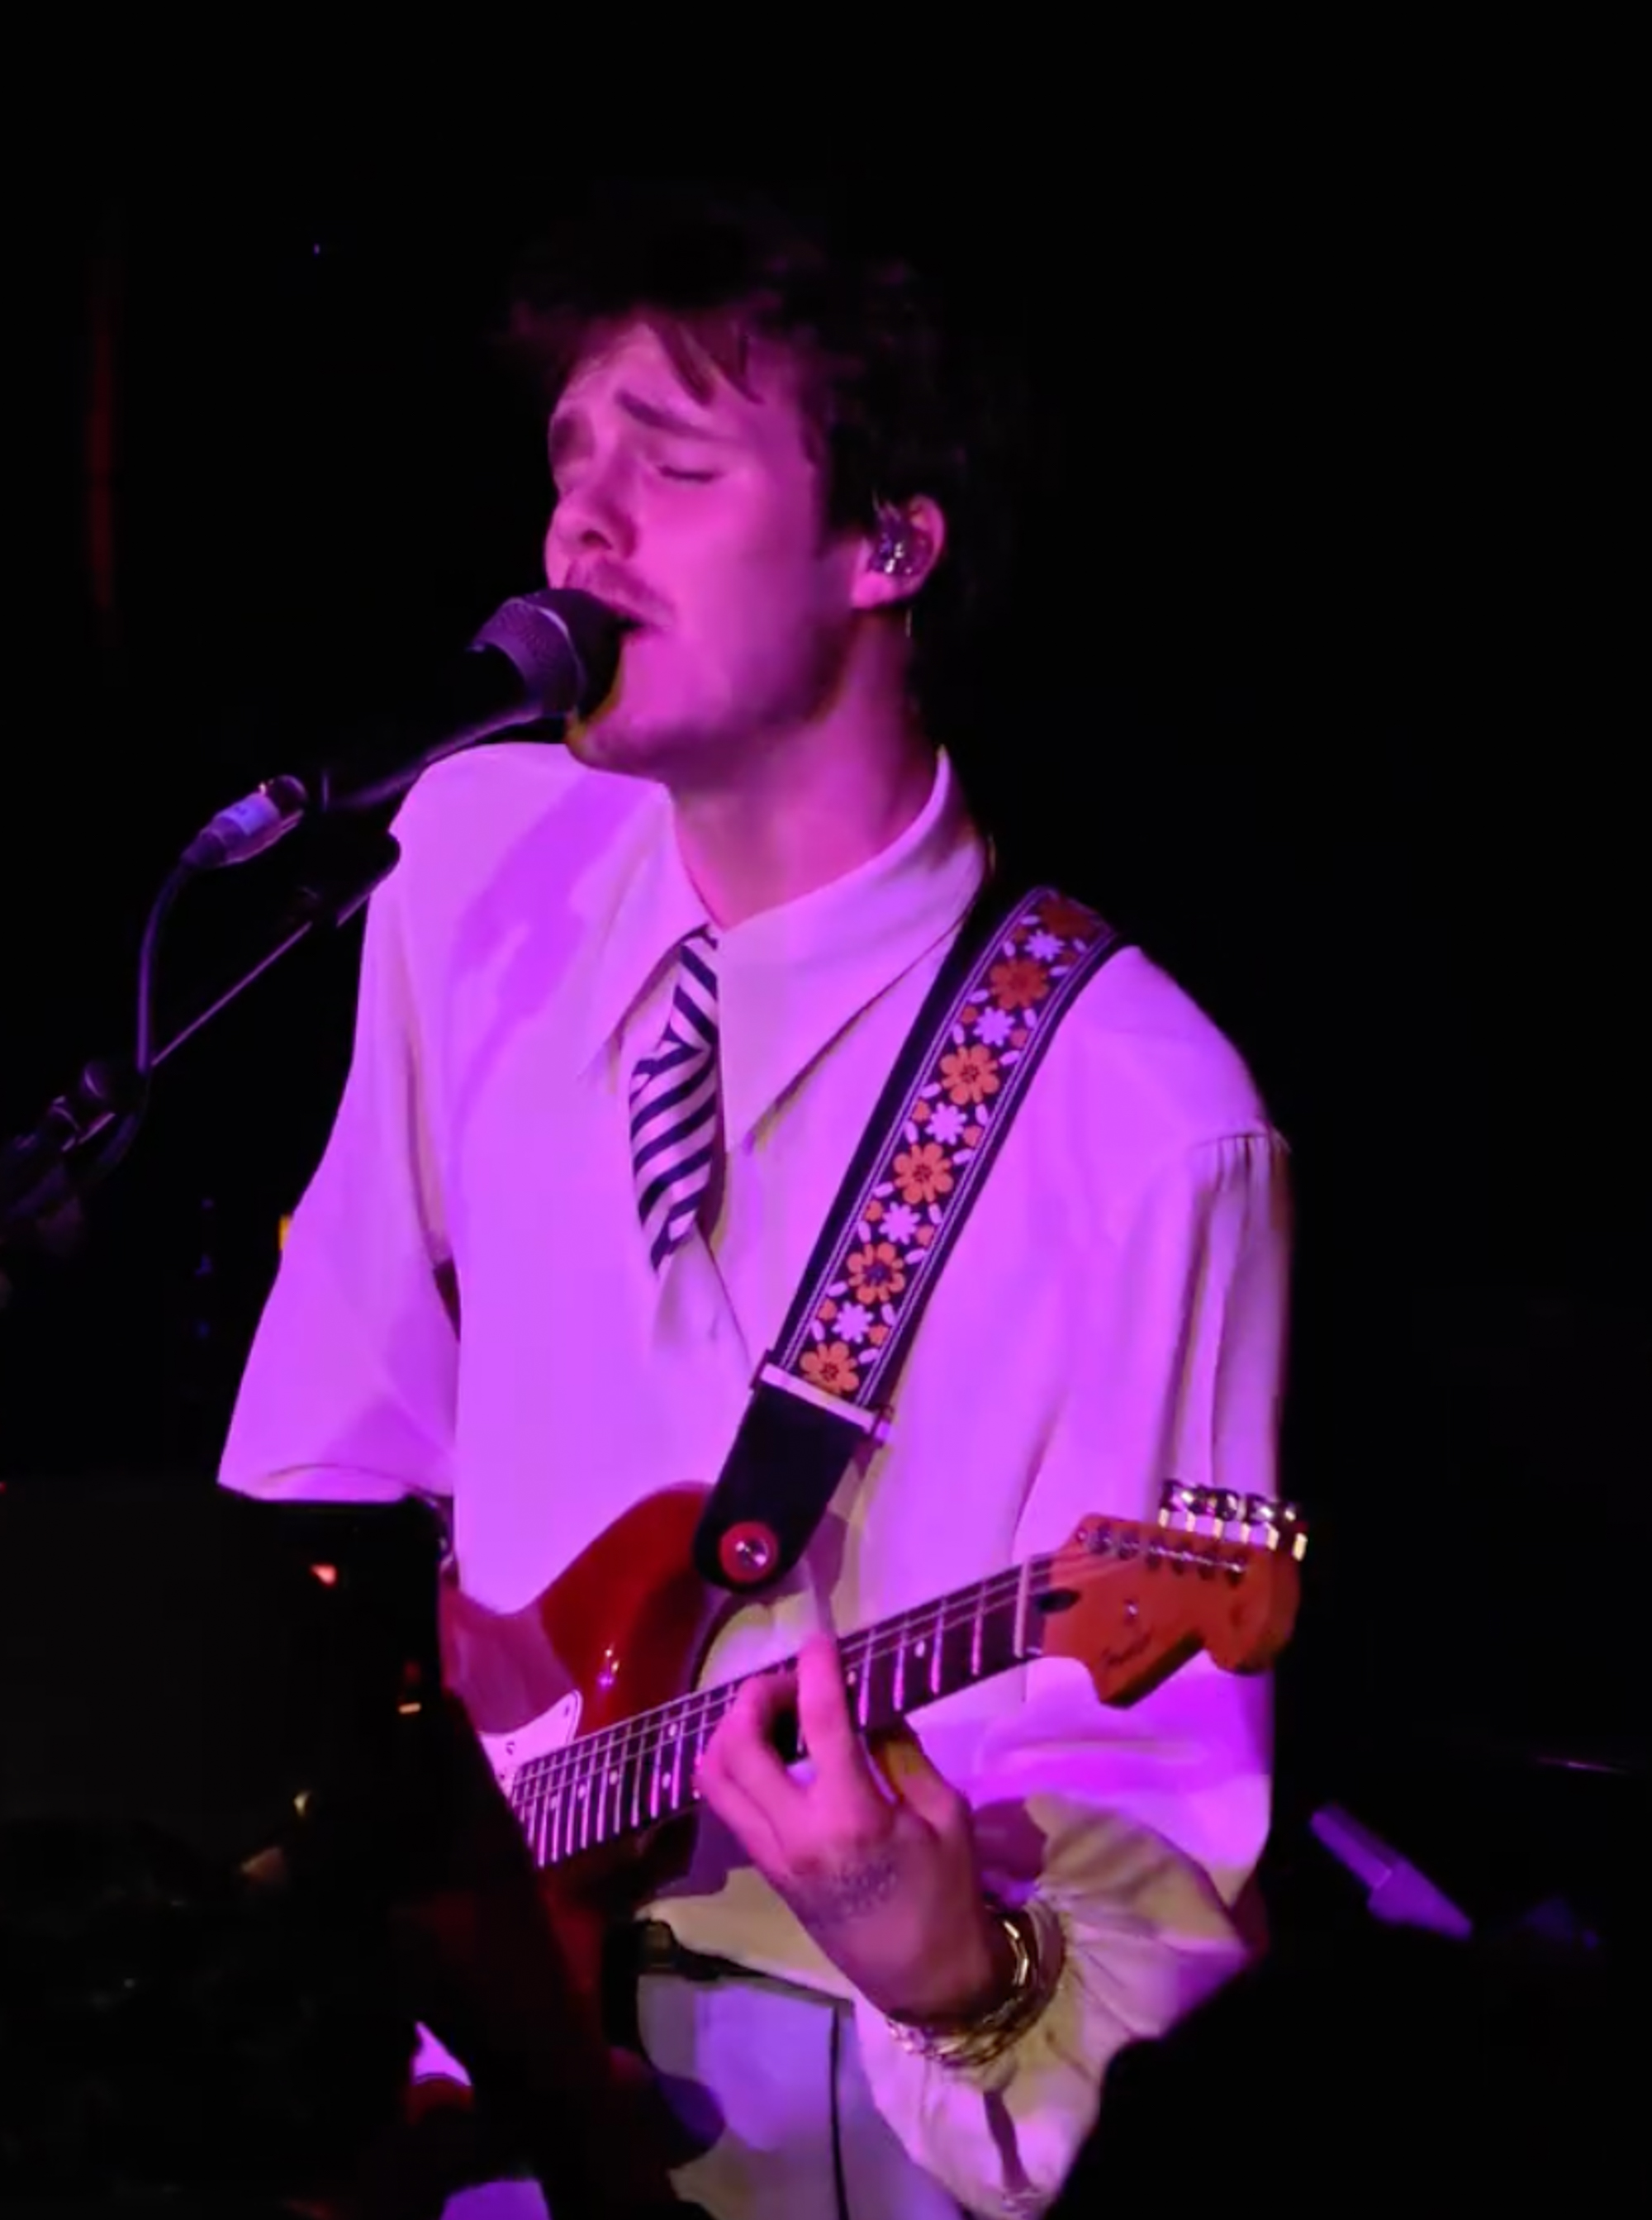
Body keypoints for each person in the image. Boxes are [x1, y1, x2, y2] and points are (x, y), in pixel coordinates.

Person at [220, 186, 1292, 2218]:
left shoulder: (1138, 1116)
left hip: (848, 2101)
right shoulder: (478, 863)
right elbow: (338, 1428)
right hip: (442, 2027)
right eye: (568, 459)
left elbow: (1162, 1860)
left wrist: (948, 1962)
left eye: (675, 465)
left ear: (887, 545)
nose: (579, 531)